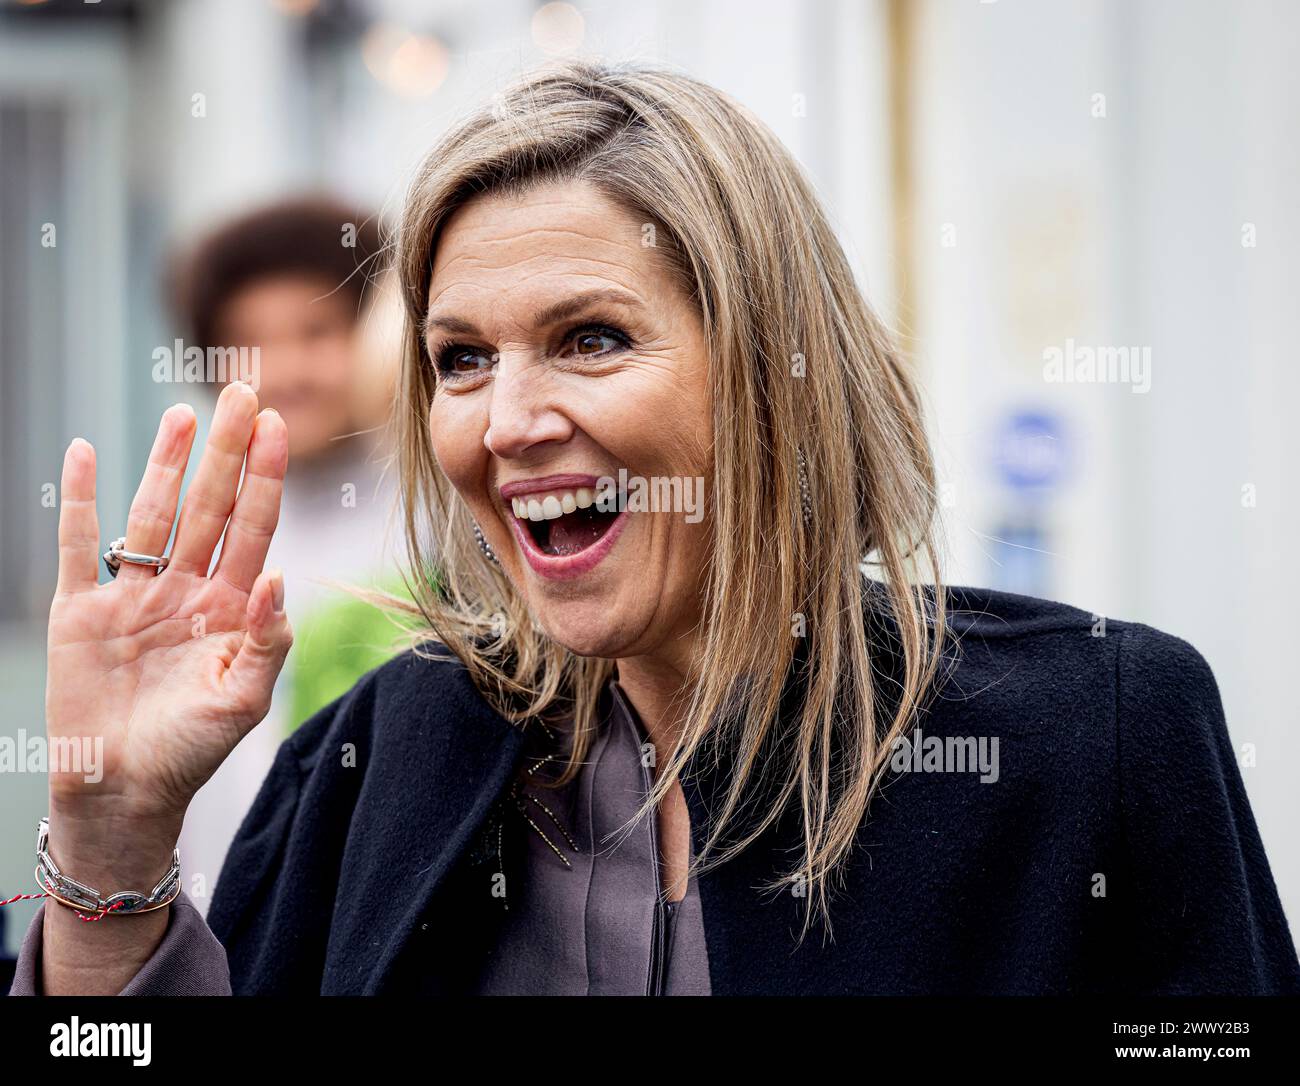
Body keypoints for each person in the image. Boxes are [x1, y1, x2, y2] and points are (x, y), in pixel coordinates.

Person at [10, 61, 1300, 995]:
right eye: (460, 359)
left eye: (590, 339)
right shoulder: (385, 752)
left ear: (772, 367)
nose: (507, 421)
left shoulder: (1094, 734)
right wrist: (112, 840)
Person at [165, 199, 404, 914]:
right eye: (248, 343)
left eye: (317, 331)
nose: (287, 371)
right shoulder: (192, 552)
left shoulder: (449, 514)